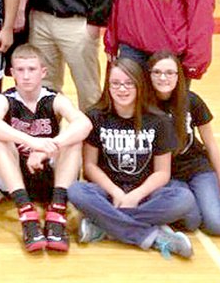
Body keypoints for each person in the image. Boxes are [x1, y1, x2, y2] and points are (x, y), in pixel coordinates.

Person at [68, 57, 197, 259]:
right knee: (76, 191)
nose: (122, 89)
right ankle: (152, 236)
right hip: (108, 193)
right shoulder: (96, 115)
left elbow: (163, 172)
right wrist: (117, 193)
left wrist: (135, 196)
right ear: (108, 86)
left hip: (145, 193)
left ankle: (104, 226)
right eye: (116, 84)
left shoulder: (159, 120)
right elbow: (90, 166)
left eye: (129, 83)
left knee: (184, 198)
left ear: (139, 85)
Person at [0, 44, 92, 252]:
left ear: (43, 71)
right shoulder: (4, 99)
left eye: (31, 69)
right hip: (14, 177)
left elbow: (85, 124)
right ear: (12, 73)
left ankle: (57, 211)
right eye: (20, 70)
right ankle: (26, 212)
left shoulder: (54, 99)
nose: (26, 76)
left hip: (50, 175)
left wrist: (47, 148)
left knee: (74, 138)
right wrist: (32, 142)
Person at [148, 51, 220, 236]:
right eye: (157, 72)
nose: (163, 77)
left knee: (217, 225)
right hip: (169, 175)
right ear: (148, 74)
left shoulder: (192, 101)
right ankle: (205, 199)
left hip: (198, 169)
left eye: (169, 72)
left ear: (178, 76)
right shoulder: (143, 105)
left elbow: (211, 145)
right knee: (192, 222)